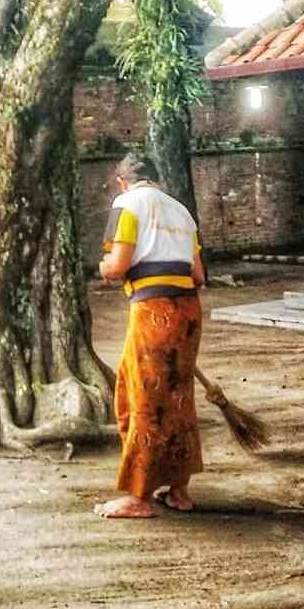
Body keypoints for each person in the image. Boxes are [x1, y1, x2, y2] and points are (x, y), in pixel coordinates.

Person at [93, 152, 206, 519]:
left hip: (153, 310)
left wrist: (103, 267)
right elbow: (199, 273)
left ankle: (139, 495)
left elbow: (118, 266)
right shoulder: (181, 211)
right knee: (177, 396)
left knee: (139, 394)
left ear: (122, 180)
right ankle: (178, 489)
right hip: (188, 311)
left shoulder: (125, 204)